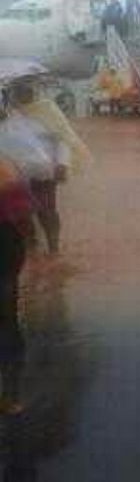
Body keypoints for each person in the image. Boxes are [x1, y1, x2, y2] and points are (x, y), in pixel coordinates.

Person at [10, 81, 91, 254]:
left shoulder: (48, 110)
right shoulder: (11, 115)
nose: (23, 94)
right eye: (18, 91)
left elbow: (63, 138)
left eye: (27, 90)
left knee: (47, 210)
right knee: (22, 212)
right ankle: (31, 246)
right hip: (18, 173)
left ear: (34, 91)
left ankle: (54, 247)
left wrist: (62, 163)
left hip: (45, 171)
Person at [0, 158, 32, 416]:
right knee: (7, 316)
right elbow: (23, 213)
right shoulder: (7, 167)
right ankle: (10, 395)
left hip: (5, 245)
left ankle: (10, 393)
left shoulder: (6, 168)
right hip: (6, 243)